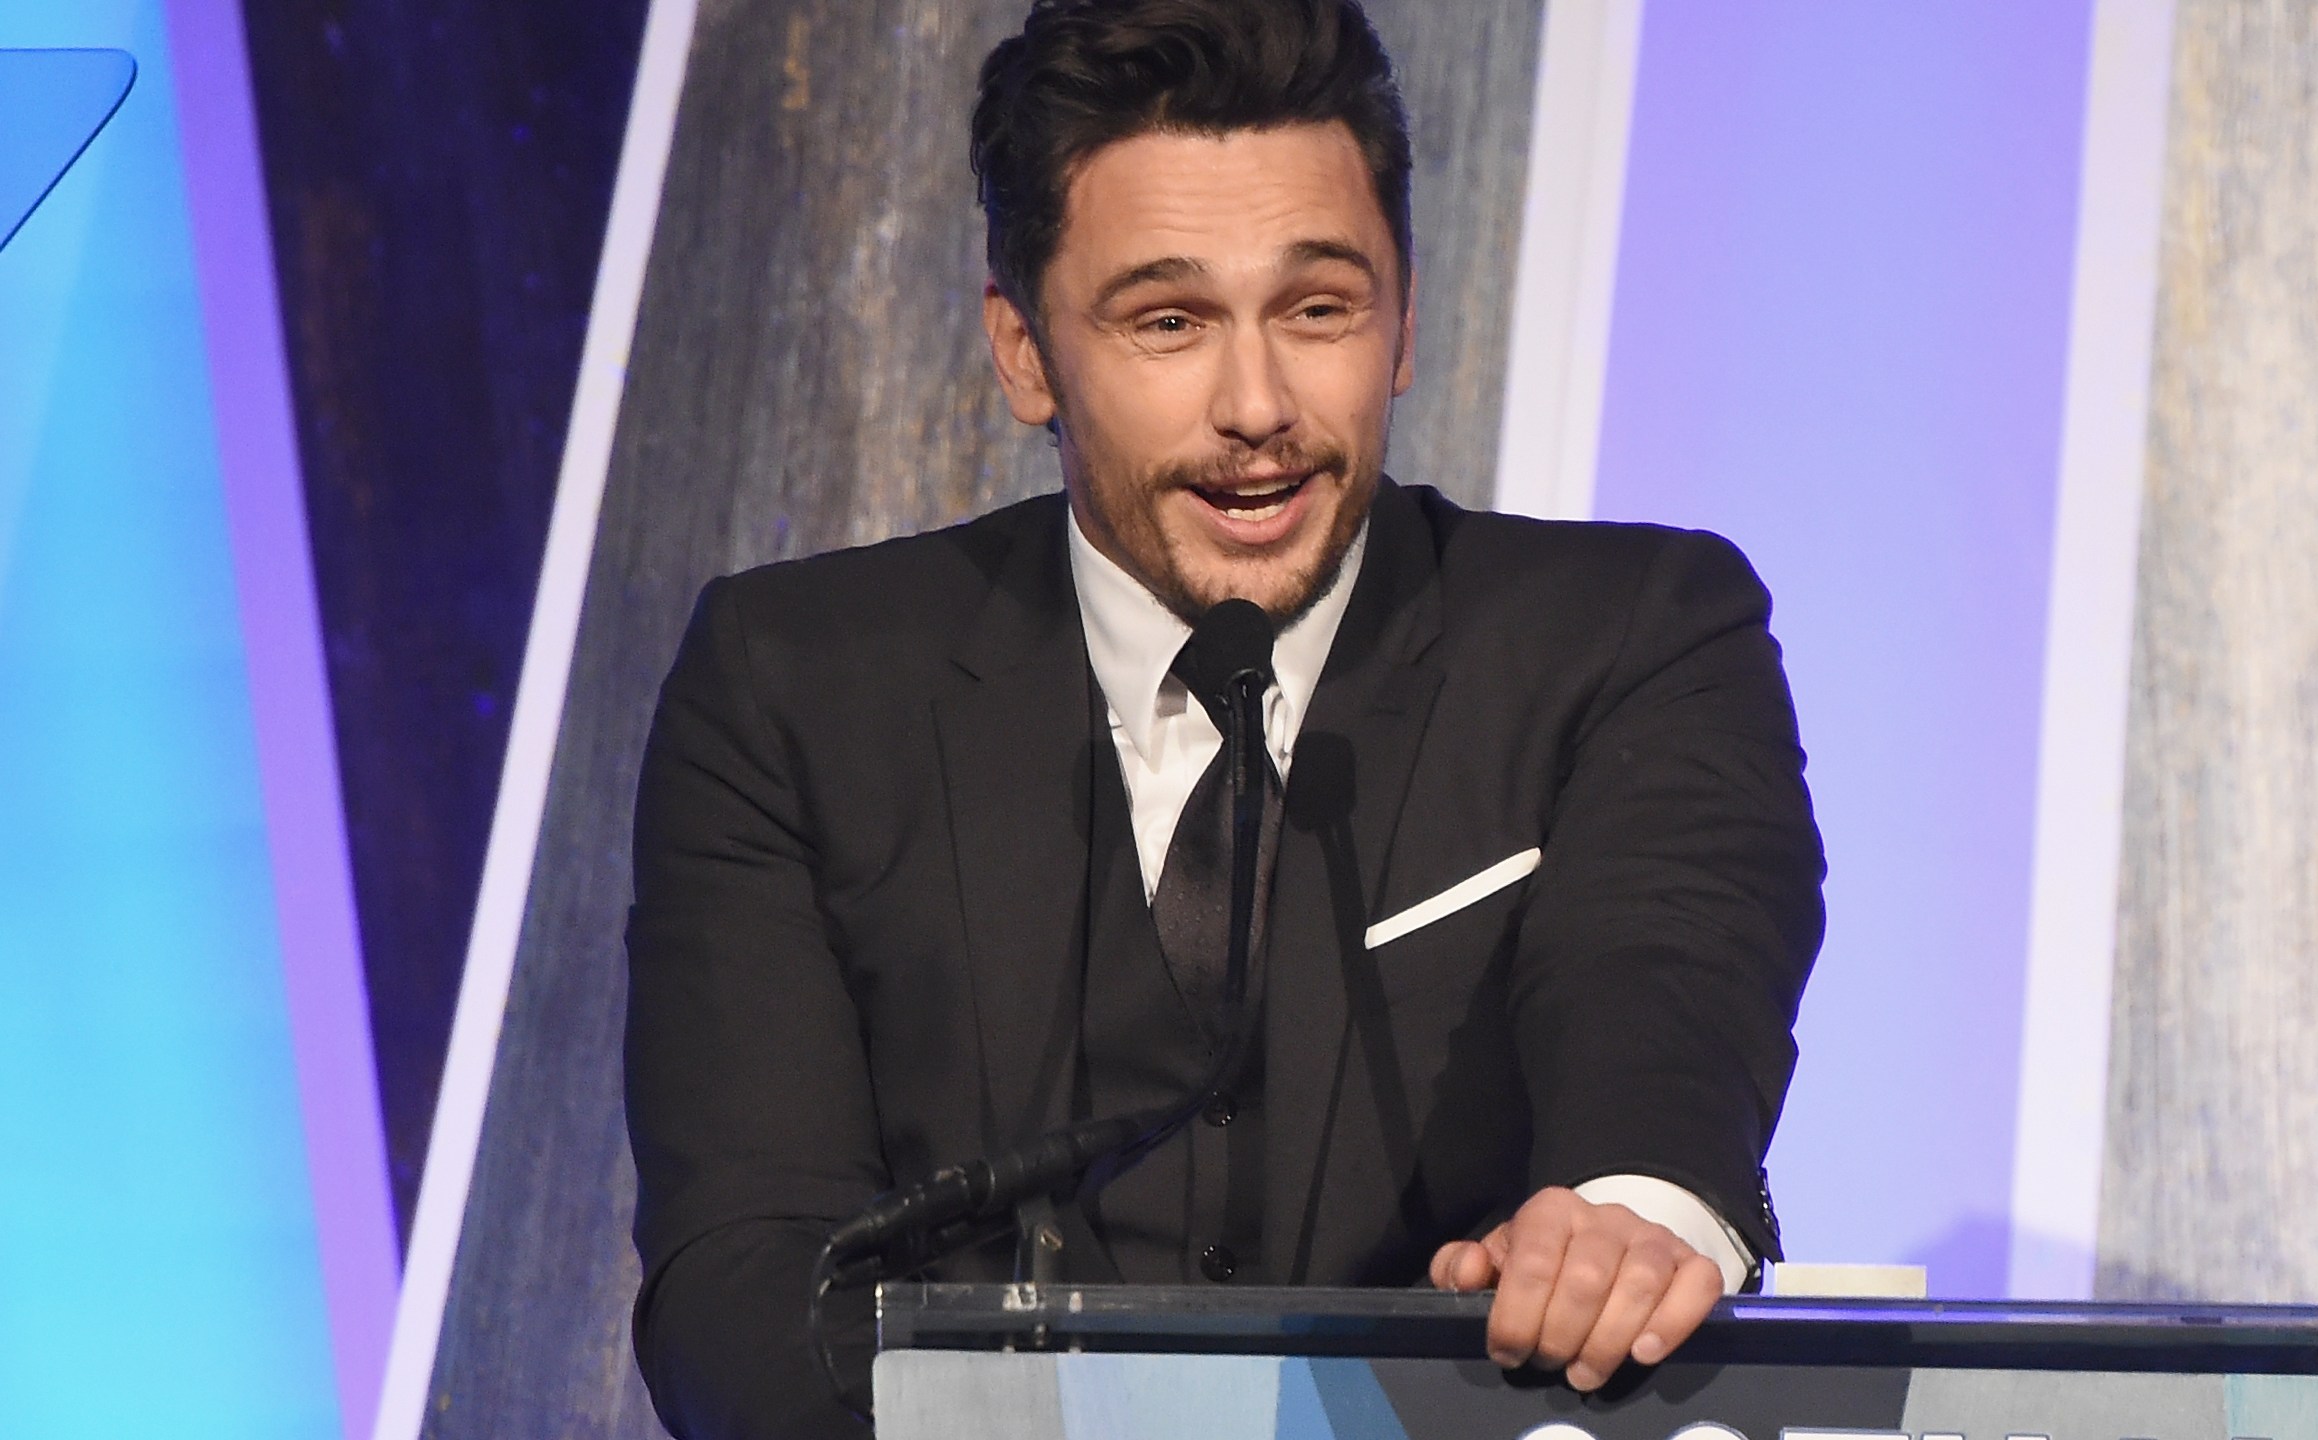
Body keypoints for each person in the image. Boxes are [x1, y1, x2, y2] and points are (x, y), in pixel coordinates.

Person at [623, 1, 1824, 1435]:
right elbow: (743, 1287)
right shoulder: (798, 685)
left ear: (1404, 319)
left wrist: (1628, 1214)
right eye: (1169, 321)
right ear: (1023, 351)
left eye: (1319, 308)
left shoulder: (1632, 635)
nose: (1258, 405)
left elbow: (1668, 973)